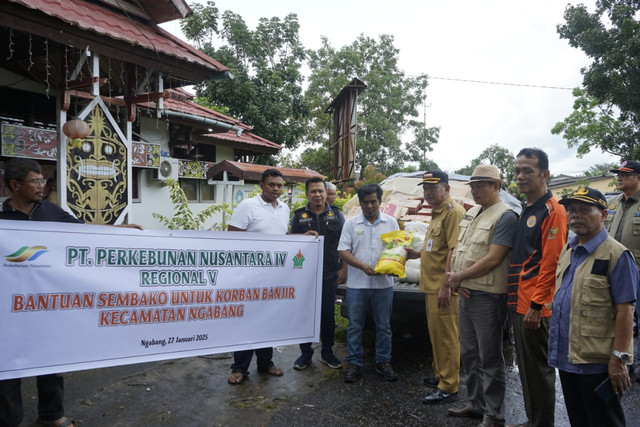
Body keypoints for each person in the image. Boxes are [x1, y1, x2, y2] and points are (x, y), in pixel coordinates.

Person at [0, 158, 142, 427]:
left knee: (51, 358)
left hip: (47, 302)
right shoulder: (2, 220)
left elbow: (83, 231)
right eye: (36, 181)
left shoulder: (50, 212)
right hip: (8, 306)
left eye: (43, 180)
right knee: (7, 365)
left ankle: (52, 414)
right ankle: (10, 420)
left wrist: (120, 230)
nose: (42, 186)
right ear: (15, 185)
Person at [549, 187, 637, 426]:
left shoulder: (617, 255)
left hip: (597, 363)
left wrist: (619, 360)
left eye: (585, 210)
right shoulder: (569, 250)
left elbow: (626, 311)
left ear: (603, 215)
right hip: (569, 357)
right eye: (572, 210)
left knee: (603, 421)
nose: (576, 215)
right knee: (579, 419)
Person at [445, 165, 518, 427]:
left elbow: (493, 259)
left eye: (481, 185)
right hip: (465, 291)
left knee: (490, 358)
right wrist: (455, 279)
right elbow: (458, 250)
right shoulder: (472, 212)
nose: (475, 190)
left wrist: (459, 278)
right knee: (469, 354)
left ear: (496, 186)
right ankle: (475, 404)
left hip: (488, 296)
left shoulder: (506, 216)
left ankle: (494, 415)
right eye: (473, 186)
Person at [507, 148, 567, 427]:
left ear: (545, 175)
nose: (520, 176)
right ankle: (534, 420)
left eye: (527, 171)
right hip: (519, 301)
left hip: (534, 306)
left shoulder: (552, 211)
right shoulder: (526, 208)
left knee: (539, 370)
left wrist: (537, 305)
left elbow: (551, 262)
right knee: (527, 369)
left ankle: (542, 423)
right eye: (517, 170)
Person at [405, 171, 465, 404]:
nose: (428, 193)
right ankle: (441, 376)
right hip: (431, 286)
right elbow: (437, 249)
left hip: (442, 288)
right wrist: (416, 254)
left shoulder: (453, 213)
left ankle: (449, 386)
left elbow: (454, 251)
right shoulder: (437, 213)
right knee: (437, 336)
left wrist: (446, 286)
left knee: (447, 337)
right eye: (425, 189)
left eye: (433, 187)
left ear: (447, 189)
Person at [227, 168, 290, 385]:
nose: (276, 189)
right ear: (261, 185)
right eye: (272, 184)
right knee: (246, 321)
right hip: (249, 275)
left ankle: (265, 363)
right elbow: (232, 237)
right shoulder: (247, 206)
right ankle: (239, 368)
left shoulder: (284, 208)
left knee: (268, 320)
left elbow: (282, 239)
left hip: (273, 276)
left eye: (280, 185)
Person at [338, 183, 400, 383]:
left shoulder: (391, 223)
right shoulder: (351, 224)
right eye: (365, 202)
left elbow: (398, 249)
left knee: (384, 326)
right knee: (356, 326)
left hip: (384, 285)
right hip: (357, 285)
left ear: (380, 202)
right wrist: (362, 266)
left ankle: (383, 362)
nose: (370, 206)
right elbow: (343, 251)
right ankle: (354, 364)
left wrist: (394, 265)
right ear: (360, 203)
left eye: (374, 201)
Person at [291, 177, 347, 370]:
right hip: (304, 275)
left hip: (330, 273)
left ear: (326, 193)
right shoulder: (298, 216)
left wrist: (344, 268)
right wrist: (300, 236)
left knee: (328, 314)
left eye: (320, 191)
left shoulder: (337, 215)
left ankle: (327, 352)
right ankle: (305, 353)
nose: (317, 195)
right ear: (307, 194)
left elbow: (345, 244)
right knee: (304, 314)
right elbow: (289, 242)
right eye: (313, 191)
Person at [605, 160, 640, 381]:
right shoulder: (612, 204)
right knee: (620, 318)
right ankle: (624, 359)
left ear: (637, 178)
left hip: (637, 271)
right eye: (618, 174)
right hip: (614, 271)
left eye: (625, 174)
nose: (619, 177)